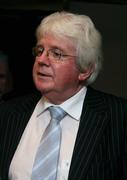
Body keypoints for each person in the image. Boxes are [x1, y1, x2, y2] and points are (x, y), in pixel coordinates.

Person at [0, 11, 127, 180]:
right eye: (40, 51)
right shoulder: (8, 113)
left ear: (85, 70)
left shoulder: (119, 117)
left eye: (57, 53)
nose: (42, 60)